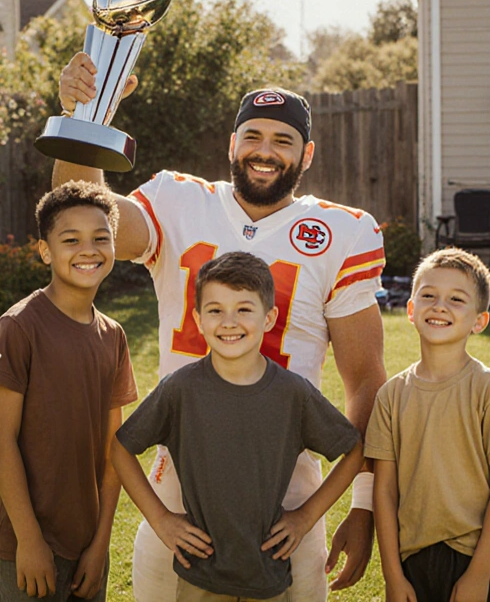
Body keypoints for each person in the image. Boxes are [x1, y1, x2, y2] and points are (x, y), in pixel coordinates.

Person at [55, 54, 388, 601]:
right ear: (232, 145)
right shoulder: (177, 199)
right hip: (177, 503)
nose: (264, 150)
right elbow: (80, 216)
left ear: (306, 154)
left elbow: (366, 381)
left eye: (283, 140)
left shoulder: (342, 232)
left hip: (287, 509)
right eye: (252, 135)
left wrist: (363, 504)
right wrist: (83, 122)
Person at [112, 252, 366, 602]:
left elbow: (353, 451)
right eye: (215, 310)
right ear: (199, 320)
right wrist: (161, 520)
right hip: (199, 575)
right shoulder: (181, 389)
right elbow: (121, 448)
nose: (229, 322)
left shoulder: (292, 393)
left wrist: (305, 517)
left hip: (268, 576)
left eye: (244, 309)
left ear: (269, 318)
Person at [0, 181, 138, 601]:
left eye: (100, 238)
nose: (87, 250)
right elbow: (1, 441)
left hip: (88, 543)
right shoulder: (19, 328)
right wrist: (29, 542)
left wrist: (101, 544)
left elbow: (113, 451)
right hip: (27, 544)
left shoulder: (113, 336)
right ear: (46, 251)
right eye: (71, 240)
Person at [365, 248, 490, 602]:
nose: (439, 306)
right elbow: (384, 492)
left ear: (479, 321)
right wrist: (393, 577)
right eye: (428, 296)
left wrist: (478, 576)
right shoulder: (391, 396)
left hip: (477, 561)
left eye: (456, 299)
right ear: (411, 310)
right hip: (412, 563)